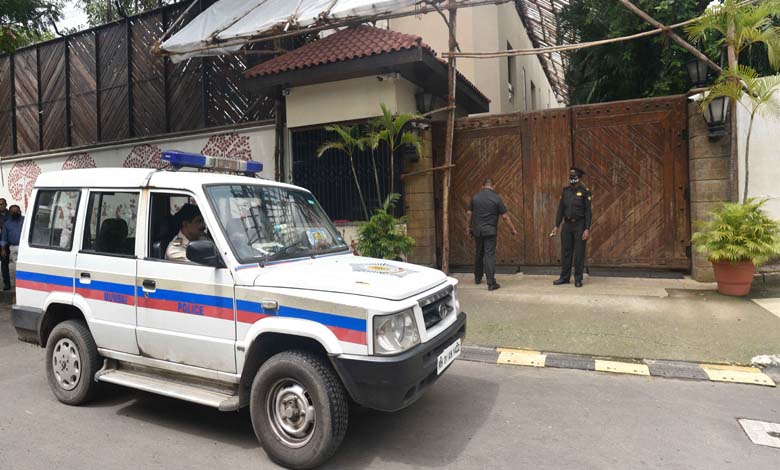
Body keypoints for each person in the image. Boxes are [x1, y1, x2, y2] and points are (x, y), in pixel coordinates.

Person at [466, 177, 518, 291]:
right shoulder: (496, 198)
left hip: (478, 231)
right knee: (489, 255)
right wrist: (512, 229)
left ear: (482, 185)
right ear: (493, 186)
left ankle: (477, 278)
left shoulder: (475, 198)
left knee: (479, 253)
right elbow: (505, 216)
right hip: (490, 231)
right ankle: (491, 283)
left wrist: (468, 227)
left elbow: (469, 214)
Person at [551, 167, 592, 288]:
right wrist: (556, 225)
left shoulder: (584, 191)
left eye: (574, 177)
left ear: (579, 178)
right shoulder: (565, 191)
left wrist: (587, 228)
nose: (571, 179)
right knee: (566, 252)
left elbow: (588, 212)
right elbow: (560, 210)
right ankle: (564, 277)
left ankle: (578, 279)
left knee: (579, 253)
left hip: (580, 225)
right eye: (570, 177)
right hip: (567, 225)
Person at [1, 205, 24, 290]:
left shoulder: (24, 220)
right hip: (13, 248)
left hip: (25, 248)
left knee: (26, 267)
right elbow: (4, 237)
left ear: (20, 211)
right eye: (13, 211)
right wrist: (3, 249)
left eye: (16, 211)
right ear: (10, 212)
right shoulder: (7, 223)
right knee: (16, 268)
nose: (15, 213)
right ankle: (18, 285)